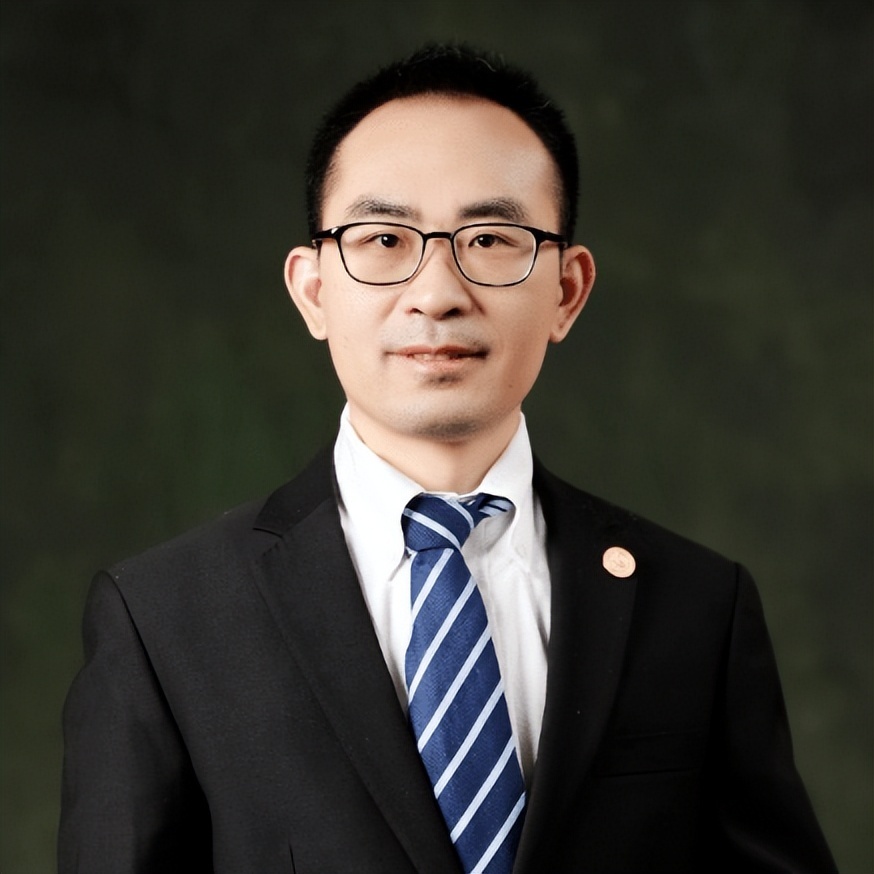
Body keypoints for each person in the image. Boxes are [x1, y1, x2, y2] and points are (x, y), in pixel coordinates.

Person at [59, 44, 837, 873]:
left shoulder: (695, 605)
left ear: (567, 291)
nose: (436, 294)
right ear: (313, 290)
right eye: (384, 238)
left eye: (491, 239)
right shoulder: (164, 619)